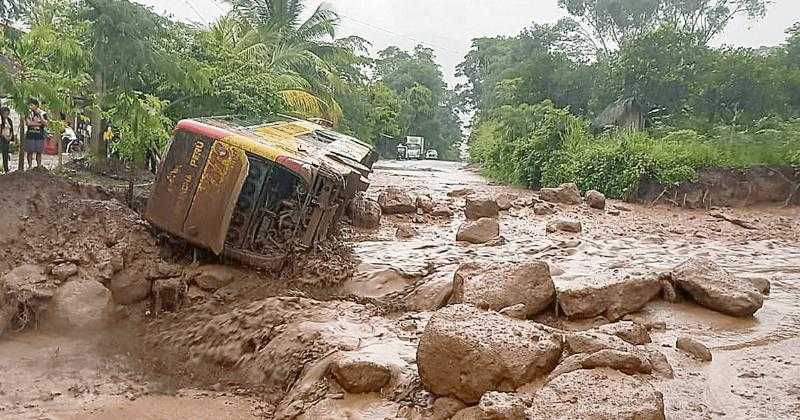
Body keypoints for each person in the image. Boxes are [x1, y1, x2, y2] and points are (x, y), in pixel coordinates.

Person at [24, 98, 47, 169]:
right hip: (30, 135)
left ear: (36, 105)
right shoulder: (28, 113)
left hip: (39, 135)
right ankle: (30, 166)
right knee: (29, 152)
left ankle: (39, 166)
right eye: (29, 105)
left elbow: (45, 123)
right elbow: (28, 123)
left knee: (39, 152)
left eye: (31, 105)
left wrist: (40, 115)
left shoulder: (43, 113)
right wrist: (39, 124)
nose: (30, 107)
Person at [0, 106, 15, 173]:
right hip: (2, 138)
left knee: (5, 154)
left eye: (8, 113)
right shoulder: (1, 120)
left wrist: (10, 137)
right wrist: (5, 137)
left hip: (8, 138)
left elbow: (11, 129)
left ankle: (6, 169)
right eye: (5, 113)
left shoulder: (9, 120)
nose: (6, 115)